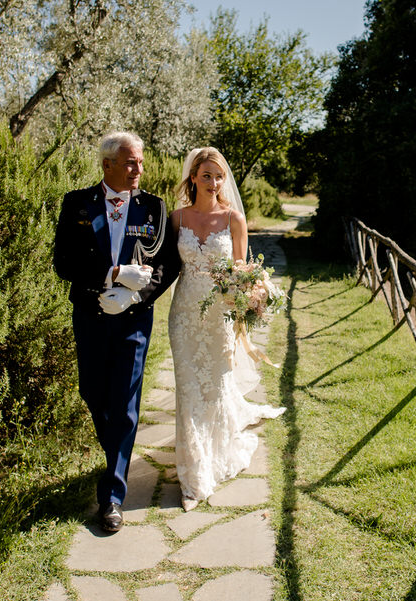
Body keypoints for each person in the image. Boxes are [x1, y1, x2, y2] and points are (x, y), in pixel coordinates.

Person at [54, 132, 180, 532]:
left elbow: (168, 264)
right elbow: (64, 262)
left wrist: (137, 296)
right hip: (89, 315)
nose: (138, 170)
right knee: (92, 392)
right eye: (130, 163)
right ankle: (116, 454)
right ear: (107, 164)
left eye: (140, 163)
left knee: (126, 402)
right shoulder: (76, 203)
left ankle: (112, 496)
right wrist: (110, 275)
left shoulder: (155, 208)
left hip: (133, 320)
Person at [168, 147, 285, 512]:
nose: (213, 182)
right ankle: (193, 476)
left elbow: (240, 269)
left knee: (215, 385)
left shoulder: (234, 218)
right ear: (193, 177)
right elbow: (166, 266)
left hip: (218, 314)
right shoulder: (177, 218)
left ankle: (214, 457)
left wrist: (251, 293)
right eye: (206, 175)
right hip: (184, 312)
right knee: (188, 389)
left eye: (218, 176)